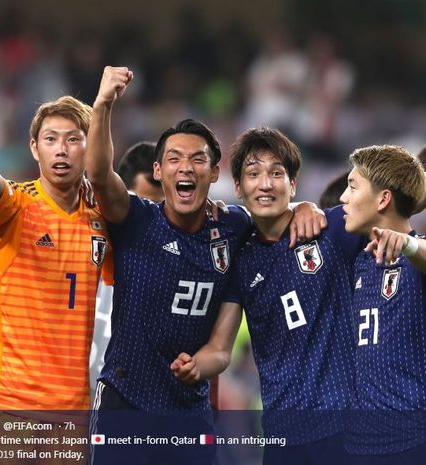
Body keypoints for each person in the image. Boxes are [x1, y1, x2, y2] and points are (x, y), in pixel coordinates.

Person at [84, 67, 324, 465]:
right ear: (158, 171)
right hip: (124, 402)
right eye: (174, 159)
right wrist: (104, 103)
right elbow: (98, 174)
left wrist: (304, 206)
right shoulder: (136, 219)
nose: (186, 168)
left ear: (214, 173)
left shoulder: (232, 228)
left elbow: (220, 349)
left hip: (189, 413)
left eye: (198, 159)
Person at [203, 128, 365, 465]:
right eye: (253, 174)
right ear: (237, 187)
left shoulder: (330, 229)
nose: (265, 184)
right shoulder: (240, 260)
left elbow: (394, 211)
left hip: (345, 429)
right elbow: (220, 348)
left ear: (292, 184)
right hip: (282, 438)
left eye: (277, 173)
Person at [0, 95, 113, 412]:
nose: (61, 149)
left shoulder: (101, 221)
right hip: (3, 401)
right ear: (35, 148)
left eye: (73, 140)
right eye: (50, 139)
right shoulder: (15, 206)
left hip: (70, 409)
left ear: (89, 147)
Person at [339, 145, 426, 464]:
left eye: (352, 186)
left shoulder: (416, 263)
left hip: (411, 443)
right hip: (358, 446)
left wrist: (409, 244)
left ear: (383, 198)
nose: (343, 198)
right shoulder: (360, 263)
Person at [89, 140, 162, 395]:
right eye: (145, 204)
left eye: (163, 207)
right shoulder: (89, 240)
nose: (154, 217)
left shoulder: (180, 260)